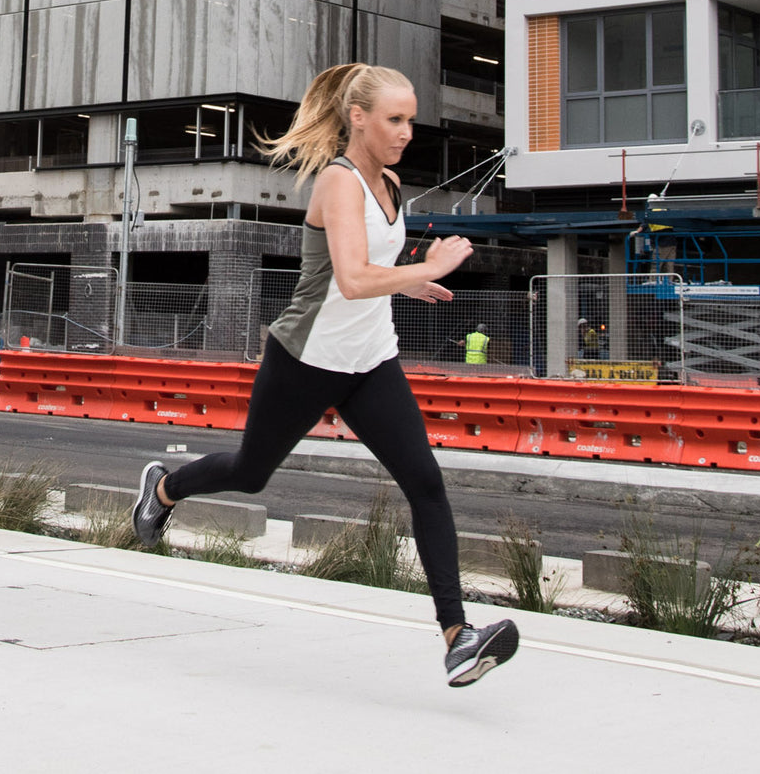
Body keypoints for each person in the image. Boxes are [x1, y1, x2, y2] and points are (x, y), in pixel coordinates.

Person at [131, 64, 518, 687]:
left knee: (425, 482)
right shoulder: (338, 182)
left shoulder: (390, 182)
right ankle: (165, 487)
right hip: (306, 360)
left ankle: (458, 637)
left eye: (411, 120)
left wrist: (411, 284)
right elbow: (352, 279)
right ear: (358, 118)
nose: (407, 132)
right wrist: (429, 268)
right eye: (395, 119)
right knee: (251, 473)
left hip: (370, 361)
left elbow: (371, 266)